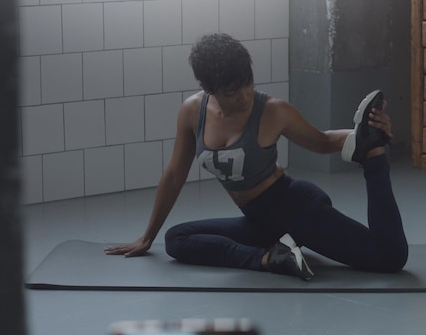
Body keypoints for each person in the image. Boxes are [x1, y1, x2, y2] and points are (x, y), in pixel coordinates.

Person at [104, 33, 408, 281]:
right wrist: (147, 237)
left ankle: (374, 156)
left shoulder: (273, 111)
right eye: (233, 92)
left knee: (390, 257)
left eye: (248, 83)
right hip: (262, 224)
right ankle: (270, 258)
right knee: (176, 239)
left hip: (296, 209)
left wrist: (362, 139)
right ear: (206, 88)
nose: (245, 96)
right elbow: (174, 175)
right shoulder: (191, 113)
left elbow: (322, 141)